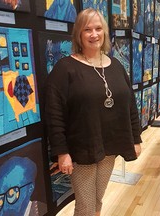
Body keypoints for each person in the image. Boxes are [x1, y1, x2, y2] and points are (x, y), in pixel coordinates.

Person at [44, 8, 142, 216]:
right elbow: (54, 114)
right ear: (79, 34)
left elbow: (130, 105)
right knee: (86, 206)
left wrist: (136, 138)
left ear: (105, 32)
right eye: (87, 29)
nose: (94, 34)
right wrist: (62, 152)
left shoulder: (116, 66)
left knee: (97, 200)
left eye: (98, 28)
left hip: (110, 146)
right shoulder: (65, 68)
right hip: (82, 150)